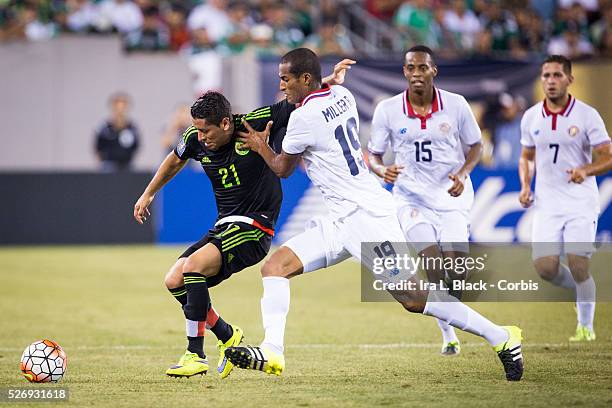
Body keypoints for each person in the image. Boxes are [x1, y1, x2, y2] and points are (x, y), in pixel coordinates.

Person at [226, 48, 524, 381]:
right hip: (341, 217)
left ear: (304, 78)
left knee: (412, 297)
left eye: (285, 79)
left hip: (366, 218)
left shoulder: (302, 118)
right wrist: (326, 80)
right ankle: (272, 351)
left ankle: (501, 335)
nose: (281, 86)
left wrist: (259, 145)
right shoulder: (342, 93)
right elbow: (316, 96)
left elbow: (282, 168)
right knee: (275, 267)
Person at [132, 61, 355, 379]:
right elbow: (174, 159)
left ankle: (195, 355)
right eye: (197, 129)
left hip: (255, 227)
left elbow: (297, 100)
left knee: (193, 267)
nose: (201, 137)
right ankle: (227, 335)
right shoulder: (196, 138)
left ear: (226, 123)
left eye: (207, 130)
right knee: (174, 280)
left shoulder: (253, 123)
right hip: (225, 225)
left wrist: (327, 81)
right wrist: (148, 193)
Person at [367, 45, 483, 356]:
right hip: (411, 198)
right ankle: (449, 335)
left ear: (434, 70)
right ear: (404, 72)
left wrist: (464, 172)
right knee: (432, 265)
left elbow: (476, 146)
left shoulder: (456, 105)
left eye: (422, 68)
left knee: (457, 270)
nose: (416, 74)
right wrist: (381, 169)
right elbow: (374, 155)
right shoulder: (388, 110)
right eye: (410, 68)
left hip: (451, 197)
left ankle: (454, 305)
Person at [518, 55, 612, 342]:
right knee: (545, 268)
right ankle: (581, 290)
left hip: (580, 201)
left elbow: (608, 156)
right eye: (546, 75)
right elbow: (526, 156)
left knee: (579, 263)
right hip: (547, 204)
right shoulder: (531, 116)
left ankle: (586, 327)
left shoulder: (586, 115)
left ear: (569, 79)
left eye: (557, 75)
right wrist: (525, 185)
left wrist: (586, 169)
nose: (551, 81)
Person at [94, 92, 140, 172]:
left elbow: (136, 147)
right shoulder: (104, 128)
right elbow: (98, 148)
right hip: (108, 165)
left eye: (123, 108)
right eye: (117, 108)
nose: (120, 111)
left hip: (127, 165)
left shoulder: (132, 128)